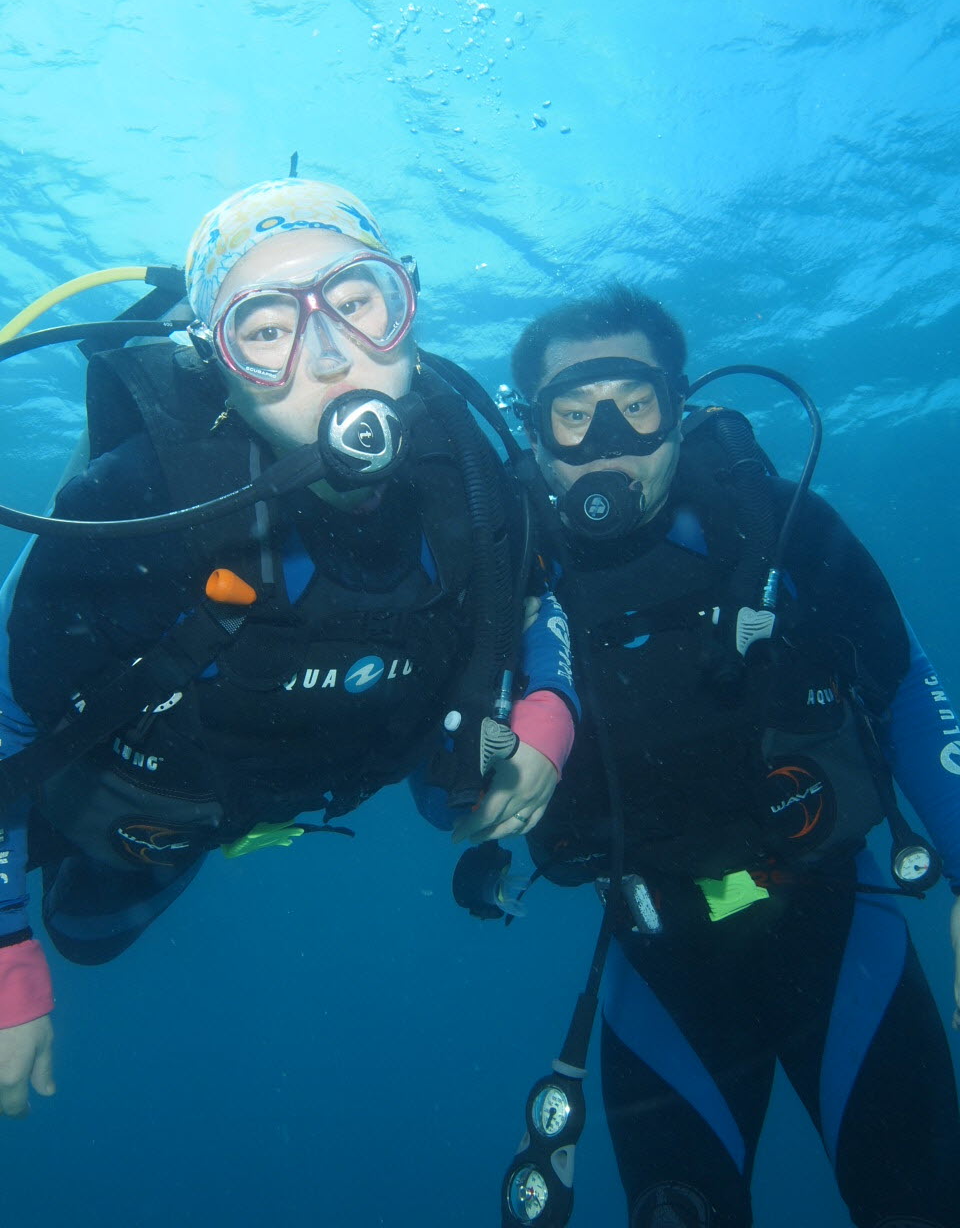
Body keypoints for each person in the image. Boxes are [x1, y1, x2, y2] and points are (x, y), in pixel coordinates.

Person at [0, 177, 576, 1117]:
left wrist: (551, 707)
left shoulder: (472, 474)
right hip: (141, 800)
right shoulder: (138, 501)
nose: (332, 356)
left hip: (317, 764)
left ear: (407, 310)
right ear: (216, 364)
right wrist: (2, 947)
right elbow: (4, 713)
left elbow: (537, 596)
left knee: (466, 799)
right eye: (267, 330)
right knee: (84, 933)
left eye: (356, 302)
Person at [506, 283, 960, 1227]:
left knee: (921, 1202)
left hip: (838, 924)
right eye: (573, 416)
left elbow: (907, 691)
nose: (607, 444)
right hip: (658, 962)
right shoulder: (506, 580)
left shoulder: (781, 527)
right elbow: (440, 783)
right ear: (533, 433)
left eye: (636, 406)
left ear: (680, 409)